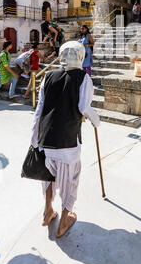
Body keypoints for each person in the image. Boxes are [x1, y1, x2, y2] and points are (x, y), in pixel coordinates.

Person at [31, 41, 100, 238]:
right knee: (71, 179)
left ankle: (47, 212)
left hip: (46, 140)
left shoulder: (49, 76)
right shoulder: (83, 77)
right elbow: (84, 107)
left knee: (48, 177)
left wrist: (34, 139)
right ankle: (64, 220)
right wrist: (97, 121)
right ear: (80, 57)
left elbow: (39, 110)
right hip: (67, 143)